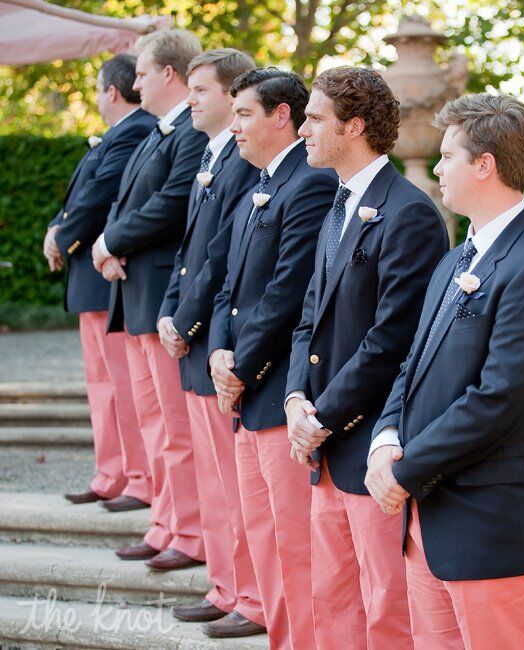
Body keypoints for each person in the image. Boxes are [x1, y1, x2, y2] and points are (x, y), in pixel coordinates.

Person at [365, 93, 524, 650]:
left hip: (498, 524)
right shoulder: (457, 259)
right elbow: (412, 365)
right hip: (430, 522)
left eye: (447, 155)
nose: (436, 168)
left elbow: (498, 401)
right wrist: (385, 438)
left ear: (484, 165)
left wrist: (405, 471)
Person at [284, 66, 448, 649]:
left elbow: (391, 341)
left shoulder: (409, 214)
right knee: (332, 595)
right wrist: (296, 398)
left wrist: (323, 418)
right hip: (323, 441)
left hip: (369, 441)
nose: (302, 129)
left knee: (387, 605)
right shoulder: (338, 203)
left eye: (314, 119)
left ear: (353, 126)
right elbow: (309, 314)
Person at [207, 68, 337, 646]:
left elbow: (289, 290)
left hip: (274, 386)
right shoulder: (257, 180)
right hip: (244, 390)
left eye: (243, 114)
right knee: (262, 533)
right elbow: (227, 282)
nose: (233, 127)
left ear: (279, 115)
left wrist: (239, 367)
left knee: (292, 541)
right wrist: (216, 348)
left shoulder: (308, 184)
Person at [155, 49, 264, 634]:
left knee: (235, 482)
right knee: (214, 479)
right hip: (193, 336)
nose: (190, 99)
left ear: (231, 94)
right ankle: (225, 585)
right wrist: (170, 312)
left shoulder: (246, 163)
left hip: (215, 338)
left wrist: (189, 322)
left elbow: (223, 257)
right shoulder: (210, 154)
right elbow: (188, 249)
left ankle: (252, 597)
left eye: (200, 90)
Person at [91, 29, 208, 570]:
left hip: (163, 293)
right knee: (154, 423)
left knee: (175, 428)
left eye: (140, 72)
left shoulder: (192, 130)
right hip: (134, 290)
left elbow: (172, 202)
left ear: (168, 74)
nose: (133, 82)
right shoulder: (160, 132)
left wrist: (114, 241)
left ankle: (187, 532)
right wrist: (108, 244)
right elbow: (124, 199)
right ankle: (165, 520)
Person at [44, 54, 155, 509]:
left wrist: (62, 237)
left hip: (105, 275)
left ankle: (135, 476)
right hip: (91, 278)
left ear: (111, 91)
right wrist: (57, 228)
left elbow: (99, 197)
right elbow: (78, 198)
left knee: (120, 388)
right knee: (103, 386)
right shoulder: (118, 135)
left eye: (95, 88)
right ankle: (113, 470)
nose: (94, 97)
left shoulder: (135, 132)